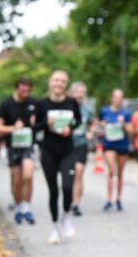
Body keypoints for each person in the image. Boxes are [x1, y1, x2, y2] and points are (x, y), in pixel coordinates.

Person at [33, 70, 81, 243]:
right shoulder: (41, 104)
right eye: (56, 80)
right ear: (50, 82)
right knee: (53, 191)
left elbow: (78, 121)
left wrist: (71, 128)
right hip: (48, 151)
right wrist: (46, 123)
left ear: (66, 85)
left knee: (68, 187)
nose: (59, 84)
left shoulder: (72, 102)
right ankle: (54, 227)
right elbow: (35, 127)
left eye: (62, 81)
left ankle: (66, 217)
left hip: (67, 150)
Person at [0, 77, 37, 225]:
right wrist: (13, 128)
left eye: (28, 89)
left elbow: (44, 121)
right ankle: (19, 207)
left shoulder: (33, 103)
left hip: (29, 146)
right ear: (16, 88)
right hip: (13, 147)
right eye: (22, 89)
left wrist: (36, 122)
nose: (26, 92)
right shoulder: (6, 104)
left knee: (28, 175)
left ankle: (26, 207)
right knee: (17, 180)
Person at [99, 88, 132, 211]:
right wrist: (101, 125)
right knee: (111, 170)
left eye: (120, 97)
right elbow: (98, 123)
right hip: (109, 144)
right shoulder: (104, 111)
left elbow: (131, 131)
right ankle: (109, 199)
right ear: (112, 98)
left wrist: (123, 124)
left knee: (119, 173)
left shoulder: (126, 114)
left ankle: (118, 198)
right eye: (116, 97)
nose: (118, 100)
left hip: (122, 145)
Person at [68, 81, 95, 216]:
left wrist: (91, 131)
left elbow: (92, 123)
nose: (79, 95)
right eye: (77, 92)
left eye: (82, 92)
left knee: (79, 172)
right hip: (66, 144)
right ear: (71, 93)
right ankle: (70, 198)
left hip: (81, 144)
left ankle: (76, 204)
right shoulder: (66, 106)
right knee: (69, 176)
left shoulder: (87, 109)